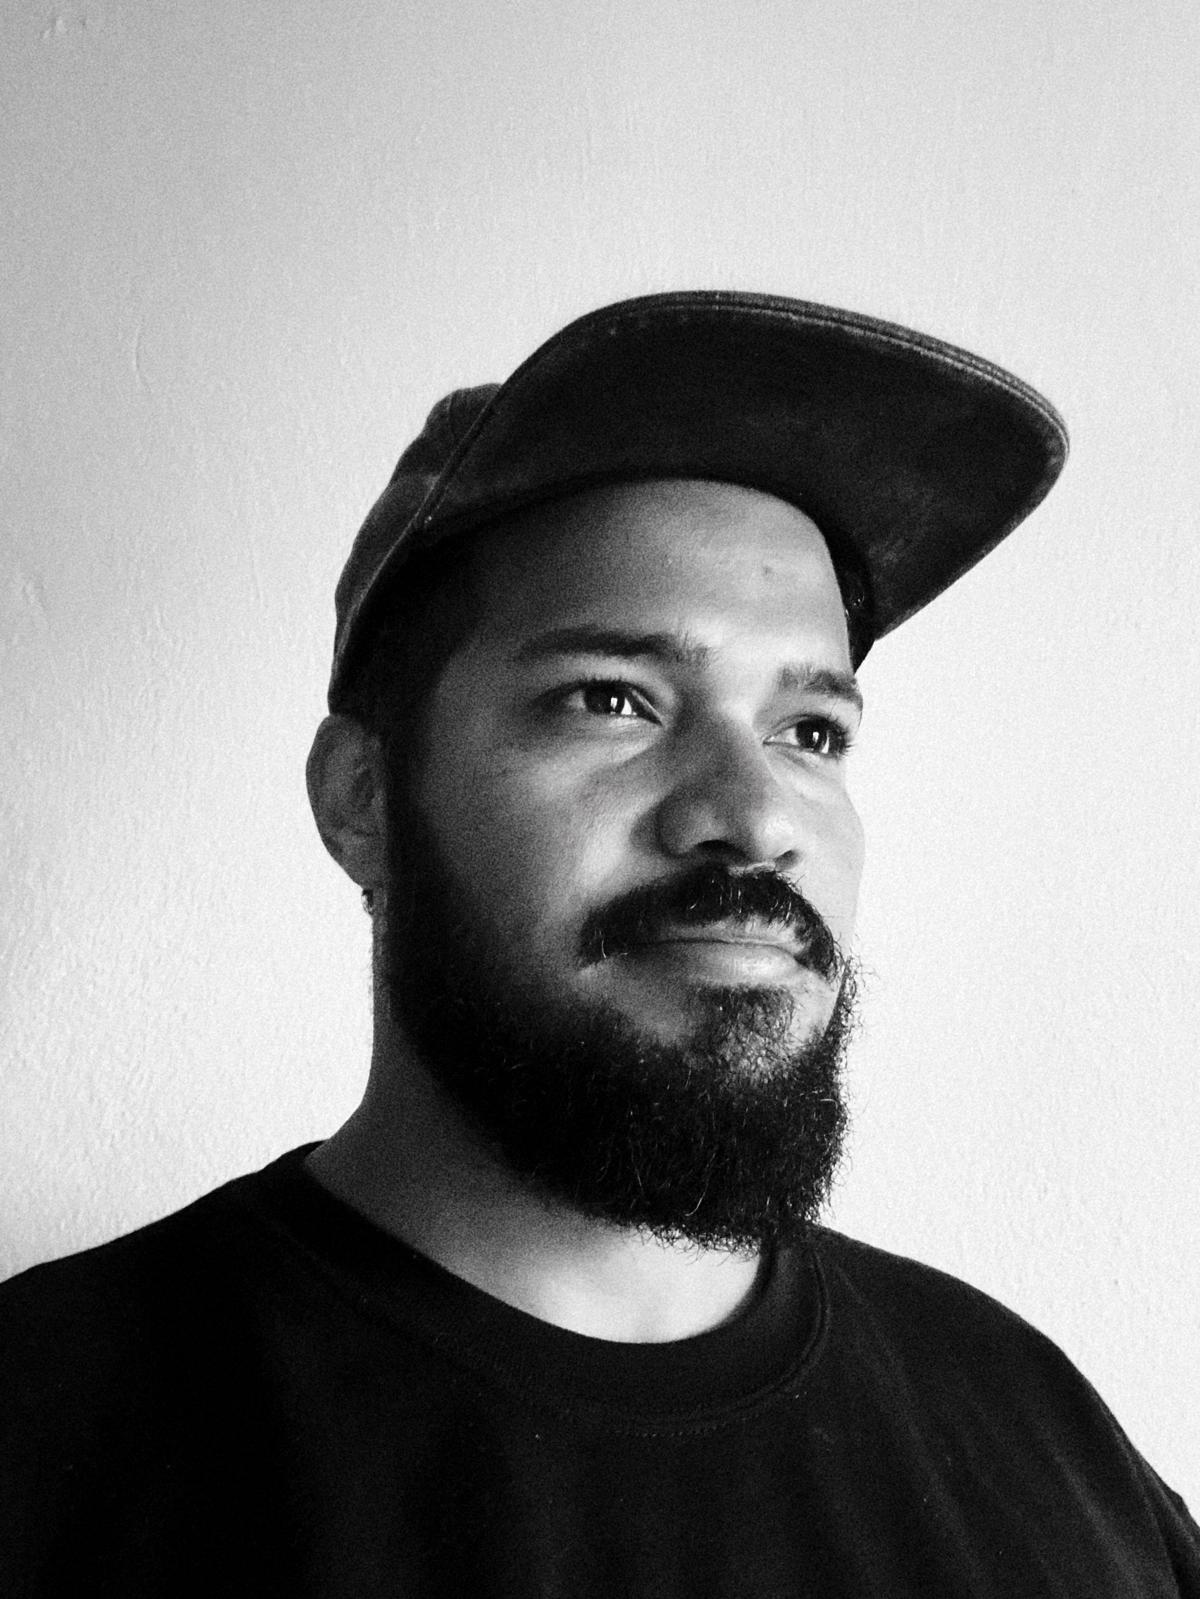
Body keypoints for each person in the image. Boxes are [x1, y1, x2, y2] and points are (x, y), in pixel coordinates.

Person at [2, 291, 1197, 1597]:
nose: (753, 818)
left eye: (811, 732)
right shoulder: (50, 1437)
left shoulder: (1041, 1441)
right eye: (613, 699)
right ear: (360, 800)